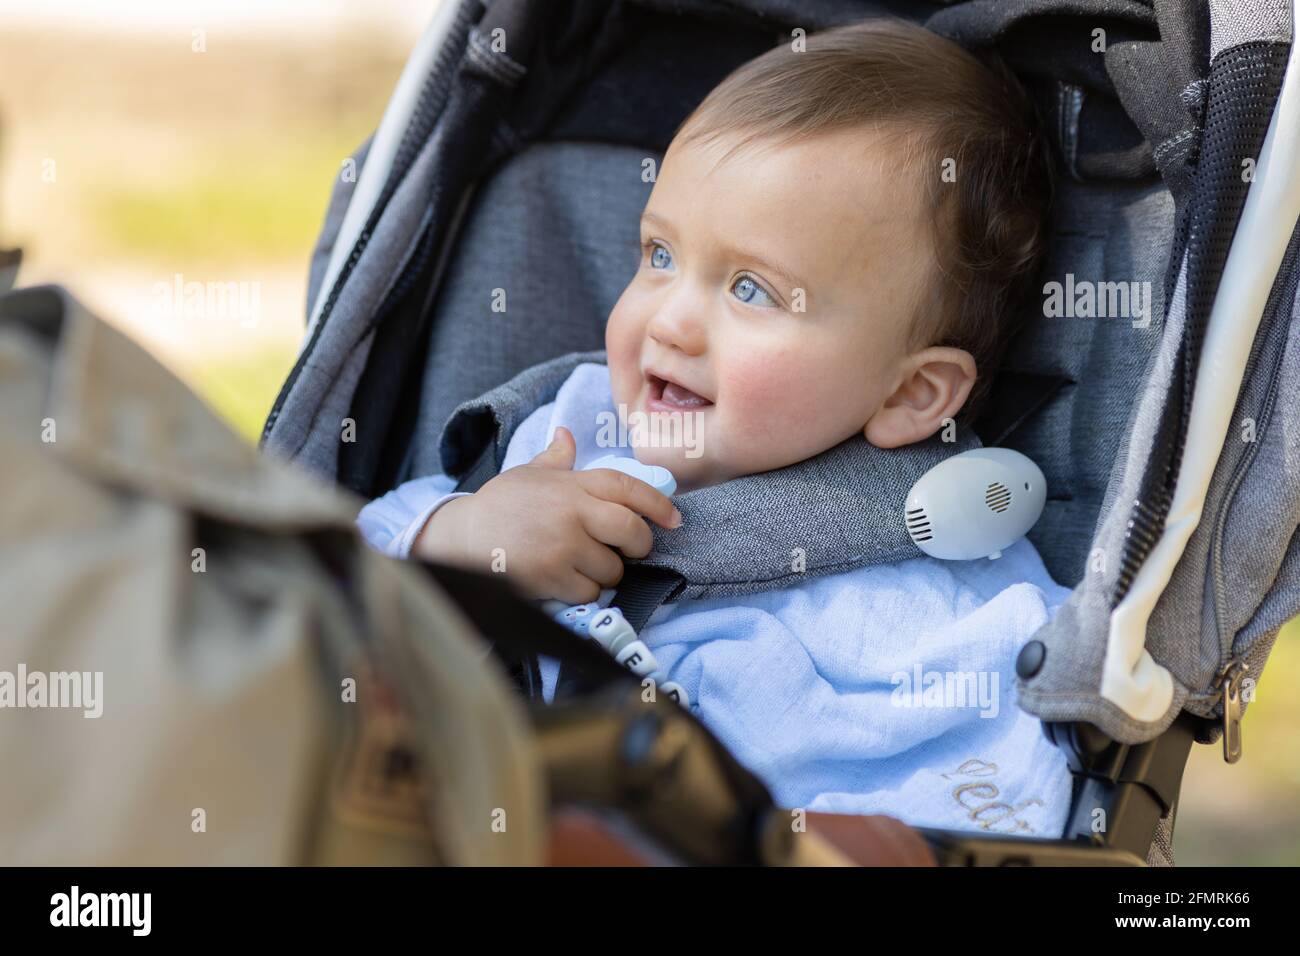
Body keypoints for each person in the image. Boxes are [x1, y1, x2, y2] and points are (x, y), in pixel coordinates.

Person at [358, 19, 1072, 838]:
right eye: (658, 256)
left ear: (911, 394)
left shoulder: (932, 596)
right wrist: (461, 532)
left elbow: (990, 792)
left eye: (751, 291)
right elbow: (341, 567)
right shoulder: (567, 430)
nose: (670, 323)